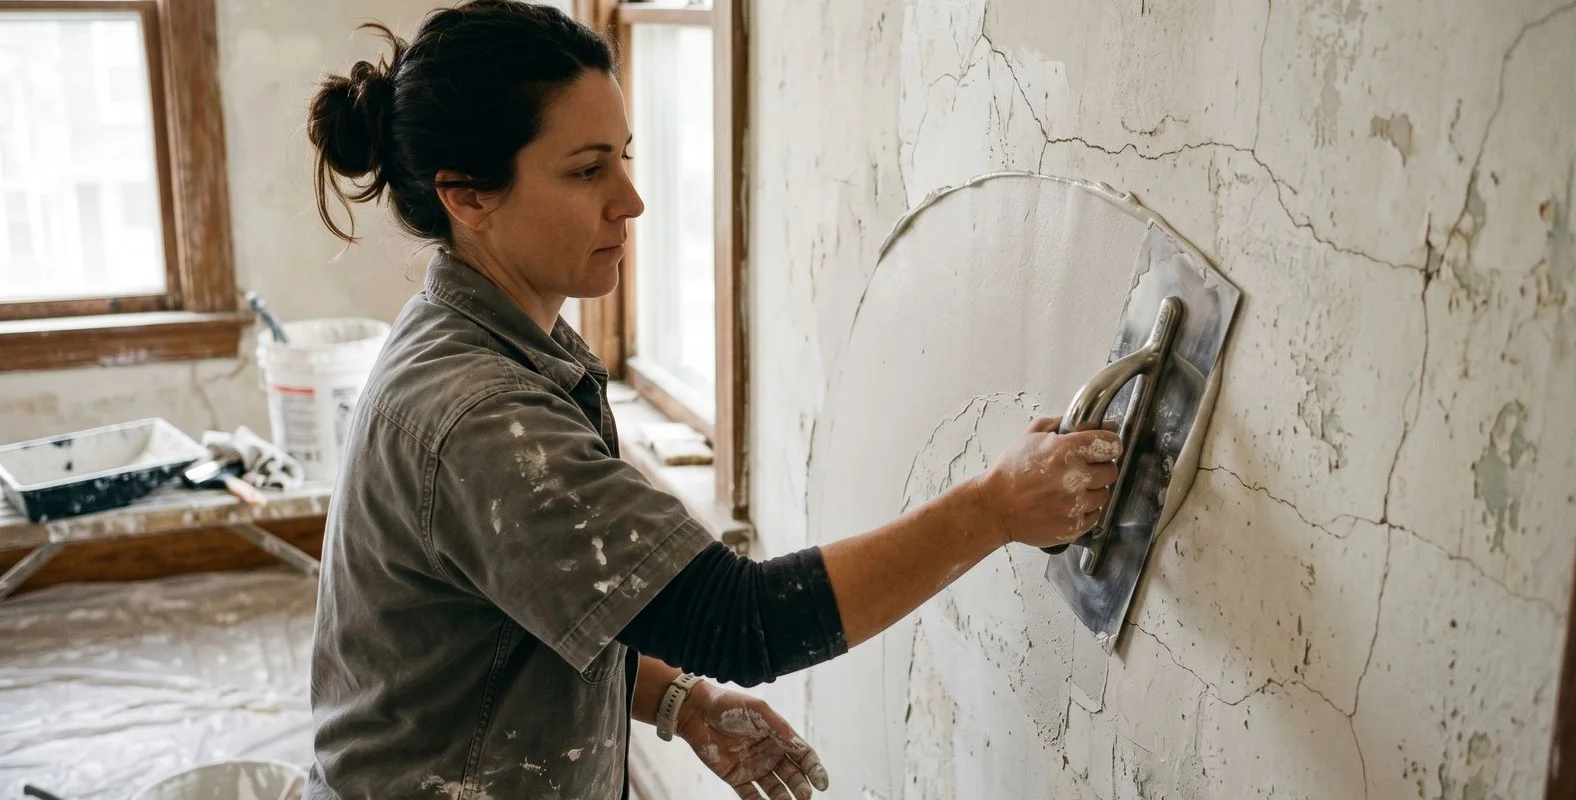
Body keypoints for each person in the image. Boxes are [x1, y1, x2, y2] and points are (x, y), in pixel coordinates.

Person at [303, 3, 1120, 798]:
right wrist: (994, 509)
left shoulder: (487, 342)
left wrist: (677, 700)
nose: (630, 200)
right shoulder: (481, 416)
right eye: (587, 171)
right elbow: (742, 620)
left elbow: (530, 601)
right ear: (468, 195)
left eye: (625, 157)